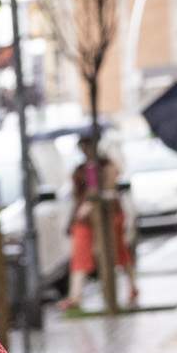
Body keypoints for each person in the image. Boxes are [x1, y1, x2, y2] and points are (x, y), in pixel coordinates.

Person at [67, 131, 137, 311]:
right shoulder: (81, 169)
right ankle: (75, 296)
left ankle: (130, 287)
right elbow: (78, 197)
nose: (85, 150)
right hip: (85, 218)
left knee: (118, 251)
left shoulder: (106, 165)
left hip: (107, 214)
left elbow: (108, 188)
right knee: (81, 254)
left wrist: (92, 201)